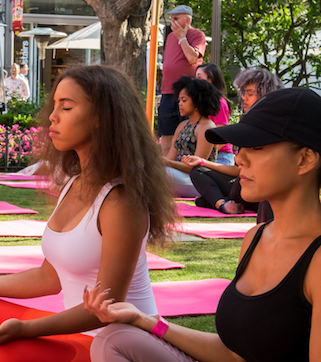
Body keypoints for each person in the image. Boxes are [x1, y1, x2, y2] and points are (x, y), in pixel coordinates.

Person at [0, 65, 176, 362]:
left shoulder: (121, 201)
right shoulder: (74, 183)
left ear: (102, 118)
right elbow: (49, 276)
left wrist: (27, 329)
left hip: (113, 344)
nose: (52, 117)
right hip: (77, 335)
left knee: (4, 352)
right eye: (55, 106)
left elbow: (108, 309)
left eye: (66, 107)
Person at [84, 87, 321, 362]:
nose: (240, 158)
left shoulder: (316, 260)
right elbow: (233, 353)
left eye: (257, 147)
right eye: (242, 148)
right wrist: (147, 320)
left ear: (305, 159)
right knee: (115, 338)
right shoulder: (256, 237)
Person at [185, 68, 284, 214]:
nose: (244, 98)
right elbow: (237, 168)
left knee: (208, 197)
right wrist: (203, 162)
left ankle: (219, 200)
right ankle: (222, 204)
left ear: (265, 94)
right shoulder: (247, 123)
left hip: (261, 185)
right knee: (198, 171)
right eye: (243, 93)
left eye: (250, 94)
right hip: (242, 182)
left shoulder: (275, 127)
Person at [158, 5, 206, 157]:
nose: (172, 22)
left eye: (176, 18)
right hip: (167, 91)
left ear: (187, 20)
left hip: (188, 91)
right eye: (171, 18)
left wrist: (182, 38)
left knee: (188, 128)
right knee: (166, 130)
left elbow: (192, 57)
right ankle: (167, 164)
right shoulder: (170, 37)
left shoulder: (197, 35)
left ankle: (185, 162)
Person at [164, 76, 220, 198]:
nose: (179, 104)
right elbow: (170, 159)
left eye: (184, 100)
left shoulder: (207, 127)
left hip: (200, 182)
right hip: (179, 175)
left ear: (197, 101)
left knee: (163, 172)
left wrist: (166, 163)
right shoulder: (182, 126)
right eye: (179, 100)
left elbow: (196, 168)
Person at [195, 63, 234, 165]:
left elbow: (221, 137)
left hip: (220, 157)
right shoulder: (203, 103)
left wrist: (205, 158)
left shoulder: (219, 102)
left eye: (199, 77)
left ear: (210, 79)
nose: (195, 81)